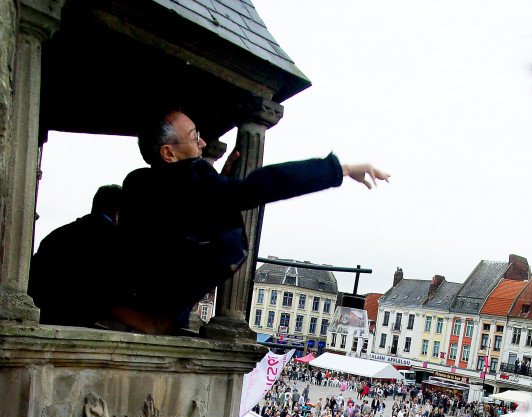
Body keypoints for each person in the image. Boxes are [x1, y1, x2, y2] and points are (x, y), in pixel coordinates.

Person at [109, 110, 389, 333]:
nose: (203, 143)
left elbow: (181, 209)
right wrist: (339, 170)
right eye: (195, 137)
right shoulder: (193, 177)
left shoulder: (138, 183)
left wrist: (219, 183)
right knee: (227, 244)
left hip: (135, 287)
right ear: (168, 153)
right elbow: (262, 186)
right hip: (158, 305)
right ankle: (156, 318)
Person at [28, 184, 122, 326]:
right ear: (118, 213)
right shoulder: (114, 240)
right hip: (76, 321)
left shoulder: (57, 235)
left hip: (44, 318)